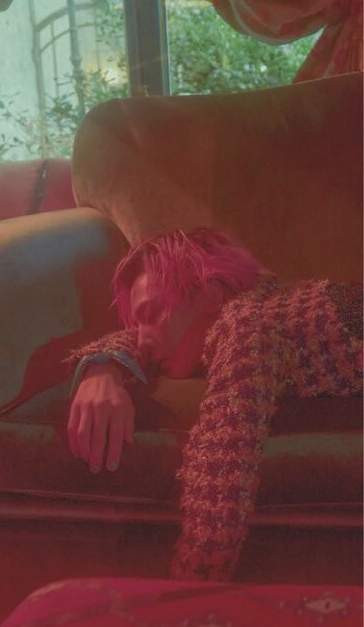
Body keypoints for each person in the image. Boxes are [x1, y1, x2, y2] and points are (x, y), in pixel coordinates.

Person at [67, 228, 362, 581]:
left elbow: (224, 469)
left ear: (210, 295)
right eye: (136, 323)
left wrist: (190, 589)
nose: (141, 339)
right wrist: (102, 367)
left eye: (151, 312)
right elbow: (136, 337)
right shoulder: (267, 305)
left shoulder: (244, 325)